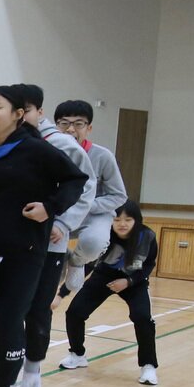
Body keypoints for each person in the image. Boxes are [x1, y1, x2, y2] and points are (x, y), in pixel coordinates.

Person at [0, 85, 86, 387]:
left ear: (18, 113)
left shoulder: (37, 151)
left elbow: (76, 180)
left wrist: (51, 208)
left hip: (26, 254)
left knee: (8, 322)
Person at [13, 84, 96, 387]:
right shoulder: (4, 143)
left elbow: (85, 188)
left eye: (27, 110)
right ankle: (11, 365)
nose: (21, 117)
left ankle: (32, 368)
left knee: (38, 308)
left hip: (50, 243)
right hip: (13, 242)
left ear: (39, 112)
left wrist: (62, 220)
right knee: (9, 308)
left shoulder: (61, 144)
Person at [61, 201, 158, 385]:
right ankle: (77, 354)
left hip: (134, 280)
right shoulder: (104, 234)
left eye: (128, 219)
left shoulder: (147, 236)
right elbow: (89, 262)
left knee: (142, 317)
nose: (122, 224)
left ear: (136, 221)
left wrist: (128, 281)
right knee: (75, 312)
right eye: (117, 219)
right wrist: (62, 293)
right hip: (103, 275)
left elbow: (148, 265)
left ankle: (148, 365)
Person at [52, 99, 128, 296]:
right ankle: (62, 259)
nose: (70, 130)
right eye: (64, 123)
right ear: (55, 126)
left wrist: (85, 205)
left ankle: (77, 261)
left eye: (78, 124)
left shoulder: (103, 156)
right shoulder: (47, 152)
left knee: (94, 243)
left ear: (89, 128)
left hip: (93, 214)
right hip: (58, 212)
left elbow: (118, 195)